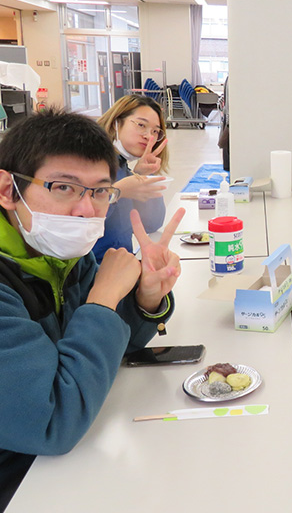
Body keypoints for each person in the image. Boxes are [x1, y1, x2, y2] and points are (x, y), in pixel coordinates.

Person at [0, 109, 184, 509]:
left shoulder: (60, 255)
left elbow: (113, 347)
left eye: (100, 191)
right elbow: (50, 422)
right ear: (7, 190)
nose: (87, 210)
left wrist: (144, 298)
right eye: (63, 187)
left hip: (65, 468)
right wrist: (103, 300)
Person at [93, 95, 168, 263]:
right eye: (141, 125)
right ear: (116, 123)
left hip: (123, 266)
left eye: (155, 131)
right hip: (93, 273)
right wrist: (116, 192)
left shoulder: (123, 168)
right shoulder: (91, 165)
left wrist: (145, 175)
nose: (149, 136)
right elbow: (83, 227)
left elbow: (151, 224)